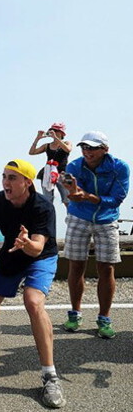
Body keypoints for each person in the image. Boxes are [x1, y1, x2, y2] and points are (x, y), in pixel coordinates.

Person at [0, 159, 65, 408]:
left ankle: (50, 375)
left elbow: (38, 248)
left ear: (27, 183)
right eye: (4, 176)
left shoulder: (42, 206)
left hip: (40, 257)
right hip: (11, 254)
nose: (5, 183)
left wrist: (26, 243)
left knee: (32, 302)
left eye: (12, 178)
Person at [61, 131, 129, 339]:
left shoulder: (120, 167)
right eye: (84, 147)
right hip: (78, 217)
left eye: (92, 148)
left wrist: (88, 197)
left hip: (107, 219)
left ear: (105, 149)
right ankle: (75, 313)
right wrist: (72, 192)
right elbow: (73, 192)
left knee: (106, 268)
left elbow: (117, 198)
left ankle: (104, 318)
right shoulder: (74, 166)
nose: (87, 151)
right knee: (76, 265)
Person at [28, 122, 72, 209]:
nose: (53, 132)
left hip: (62, 174)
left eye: (55, 131)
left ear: (61, 133)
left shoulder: (67, 143)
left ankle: (72, 219)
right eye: (52, 131)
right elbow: (32, 152)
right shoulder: (47, 146)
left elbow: (68, 149)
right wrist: (37, 139)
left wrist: (56, 138)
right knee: (47, 200)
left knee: (67, 200)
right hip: (48, 174)